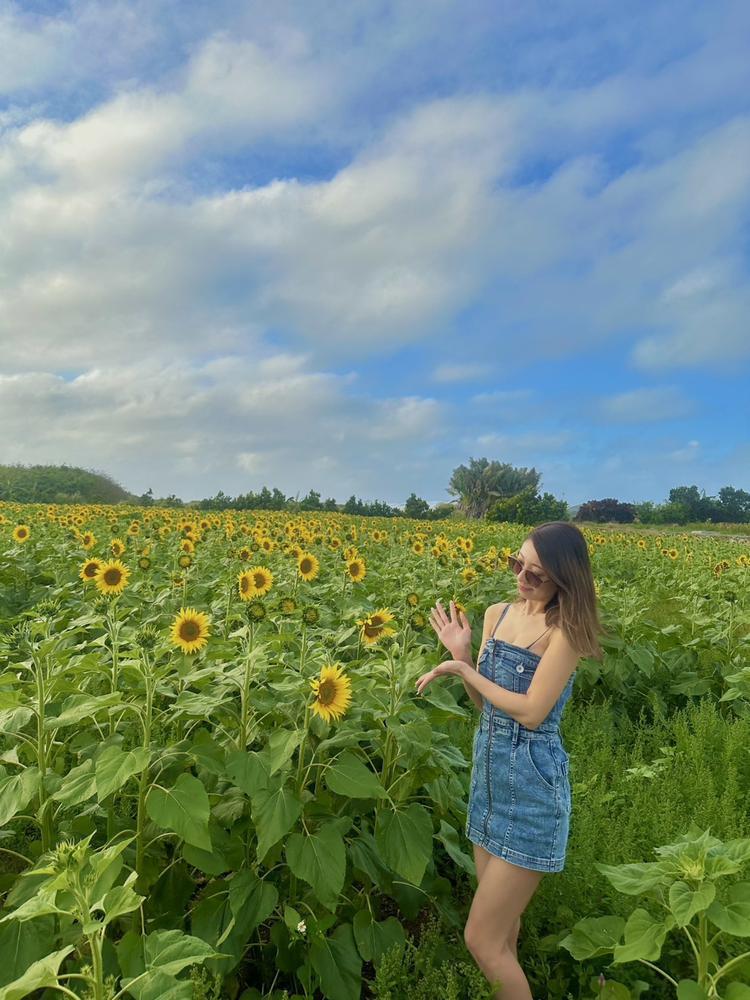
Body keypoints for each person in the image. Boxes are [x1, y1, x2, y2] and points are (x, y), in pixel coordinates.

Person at [414, 521, 604, 999]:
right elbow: (488, 709)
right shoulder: (496, 614)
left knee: (480, 940)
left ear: (564, 578)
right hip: (489, 782)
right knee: (503, 934)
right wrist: (463, 654)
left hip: (534, 790)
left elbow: (532, 713)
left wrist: (462, 669)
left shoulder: (566, 632)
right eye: (517, 563)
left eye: (535, 573)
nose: (521, 577)